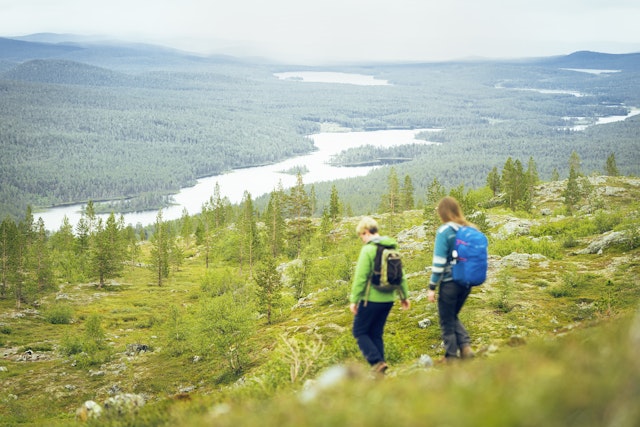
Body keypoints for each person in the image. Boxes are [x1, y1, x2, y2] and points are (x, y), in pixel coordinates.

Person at [350, 216, 411, 375]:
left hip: (371, 299)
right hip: (389, 299)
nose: (361, 239)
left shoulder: (368, 249)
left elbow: (361, 278)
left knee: (359, 331)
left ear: (366, 232)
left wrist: (354, 300)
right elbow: (401, 275)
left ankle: (376, 362)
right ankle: (381, 369)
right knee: (376, 333)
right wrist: (404, 296)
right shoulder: (392, 248)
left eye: (361, 235)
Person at [427, 196, 476, 362]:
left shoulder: (445, 231)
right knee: (452, 316)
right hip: (467, 283)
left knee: (446, 319)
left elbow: (439, 262)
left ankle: (451, 356)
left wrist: (432, 286)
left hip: (450, 283)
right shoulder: (470, 229)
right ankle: (466, 348)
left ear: (442, 213)